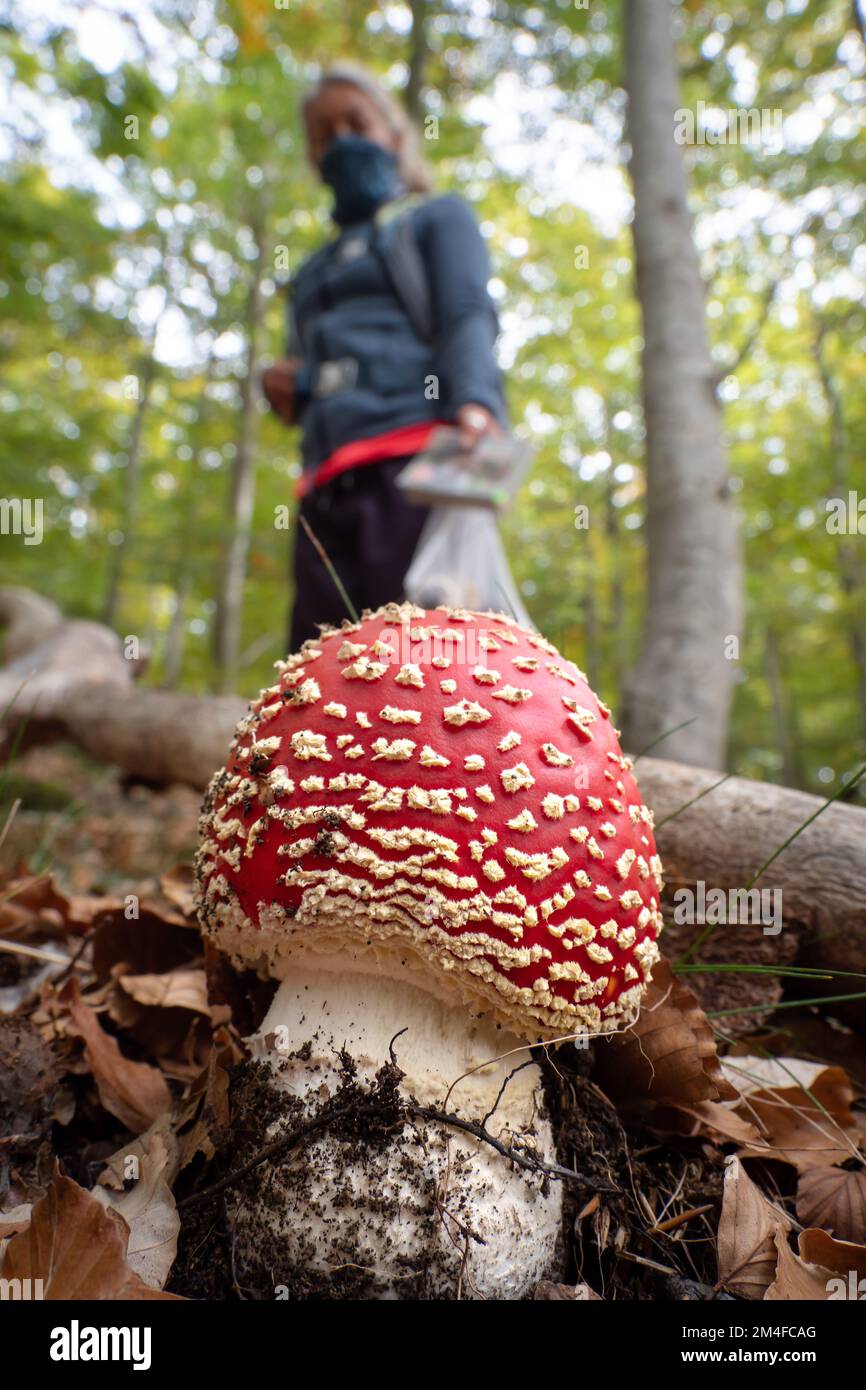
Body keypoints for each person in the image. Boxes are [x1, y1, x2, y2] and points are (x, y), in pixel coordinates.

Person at [262, 63, 508, 648]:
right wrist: (286, 389)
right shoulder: (311, 272)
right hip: (323, 485)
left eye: (357, 121)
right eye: (324, 133)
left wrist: (475, 402)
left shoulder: (434, 218)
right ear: (313, 156)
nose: (342, 140)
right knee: (319, 671)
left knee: (430, 658)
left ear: (395, 137)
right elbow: (306, 369)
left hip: (417, 467)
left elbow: (465, 311)